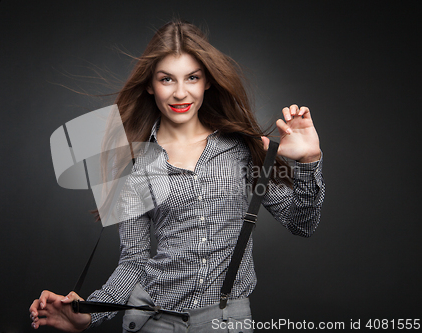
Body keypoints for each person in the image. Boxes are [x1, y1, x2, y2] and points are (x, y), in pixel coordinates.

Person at [30, 19, 324, 332]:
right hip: (153, 320)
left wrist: (308, 161)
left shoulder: (243, 148)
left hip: (225, 322)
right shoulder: (130, 162)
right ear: (149, 84)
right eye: (167, 79)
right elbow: (135, 261)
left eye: (192, 78)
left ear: (207, 82)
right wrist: (90, 312)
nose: (180, 93)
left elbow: (302, 224)